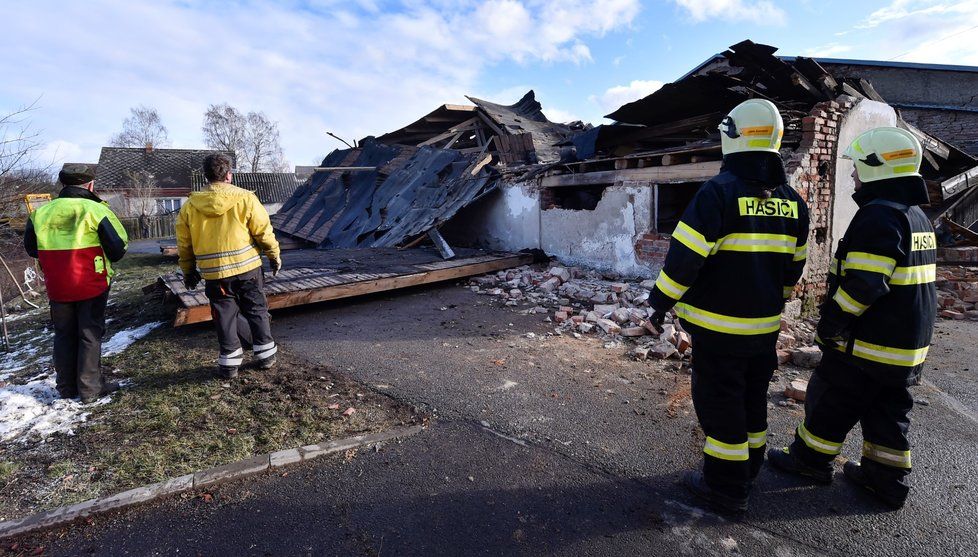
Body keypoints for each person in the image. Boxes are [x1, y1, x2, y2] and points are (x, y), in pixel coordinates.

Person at [648, 99, 810, 513]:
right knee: (752, 400)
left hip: (719, 334)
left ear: (732, 136)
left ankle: (724, 488)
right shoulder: (794, 202)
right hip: (764, 329)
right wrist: (777, 302)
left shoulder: (716, 194)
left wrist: (659, 303)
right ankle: (750, 468)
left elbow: (683, 261)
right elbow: (794, 267)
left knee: (721, 408)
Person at [769, 127, 937, 509]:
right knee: (888, 414)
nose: (852, 175)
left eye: (858, 168)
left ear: (878, 167)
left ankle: (810, 461)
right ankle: (886, 480)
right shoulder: (917, 217)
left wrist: (831, 325)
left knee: (832, 398)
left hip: (870, 343)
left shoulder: (879, 217)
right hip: (906, 348)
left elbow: (863, 285)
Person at [24, 164, 128, 404]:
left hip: (57, 285)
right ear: (90, 185)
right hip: (91, 282)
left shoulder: (40, 213)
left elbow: (31, 248)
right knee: (89, 333)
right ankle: (90, 389)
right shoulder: (95, 210)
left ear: (63, 185)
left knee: (63, 334)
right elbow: (118, 248)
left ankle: (66, 387)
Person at [176, 154, 281, 379]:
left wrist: (188, 270)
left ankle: (229, 365)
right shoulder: (246, 198)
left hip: (215, 275)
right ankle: (265, 357)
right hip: (248, 270)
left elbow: (184, 244)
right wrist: (274, 255)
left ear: (206, 176)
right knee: (256, 310)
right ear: (229, 175)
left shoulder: (191, 206)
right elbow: (263, 231)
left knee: (224, 316)